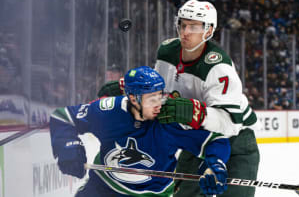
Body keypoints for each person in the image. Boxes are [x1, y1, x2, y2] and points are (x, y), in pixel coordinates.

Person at [97, 0, 260, 197]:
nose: (185, 32)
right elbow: (160, 92)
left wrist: (194, 112)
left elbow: (231, 124)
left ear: (208, 31)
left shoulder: (219, 68)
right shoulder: (167, 51)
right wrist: (130, 88)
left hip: (237, 142)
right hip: (197, 139)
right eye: (183, 25)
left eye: (194, 26)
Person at [49, 66, 230, 197]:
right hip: (104, 187)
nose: (159, 104)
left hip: (152, 194)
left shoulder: (169, 122)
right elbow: (63, 117)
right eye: (152, 99)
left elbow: (216, 141)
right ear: (133, 98)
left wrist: (215, 167)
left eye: (160, 96)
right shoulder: (109, 111)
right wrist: (69, 149)